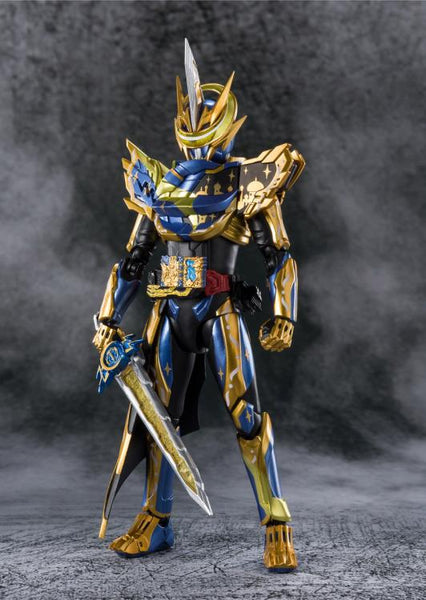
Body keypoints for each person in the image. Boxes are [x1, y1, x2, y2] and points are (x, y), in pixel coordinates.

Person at [93, 39, 305, 572]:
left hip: (219, 308)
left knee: (247, 414)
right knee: (158, 418)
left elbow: (278, 256)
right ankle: (157, 519)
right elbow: (134, 261)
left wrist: (284, 313)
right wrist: (107, 316)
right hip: (170, 314)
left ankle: (276, 521)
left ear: (226, 128)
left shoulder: (246, 180)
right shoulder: (160, 184)